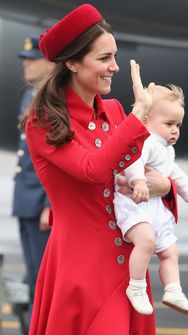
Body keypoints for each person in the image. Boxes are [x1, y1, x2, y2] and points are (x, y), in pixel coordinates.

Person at [20, 4, 176, 335]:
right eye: (104, 58)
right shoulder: (44, 121)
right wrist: (138, 117)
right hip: (82, 272)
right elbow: (92, 170)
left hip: (129, 274)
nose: (115, 67)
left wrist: (166, 186)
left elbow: (149, 171)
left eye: (115, 57)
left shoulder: (115, 112)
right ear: (73, 62)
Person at [114, 84, 188, 316]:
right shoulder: (145, 142)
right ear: (145, 120)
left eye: (178, 125)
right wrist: (139, 181)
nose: (175, 130)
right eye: (169, 124)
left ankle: (173, 290)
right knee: (146, 242)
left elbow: (175, 173)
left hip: (153, 207)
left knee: (171, 251)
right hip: (134, 205)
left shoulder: (165, 149)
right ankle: (136, 287)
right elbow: (133, 161)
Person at [12, 36, 54, 305]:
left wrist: (51, 204)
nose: (26, 63)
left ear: (50, 62)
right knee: (33, 275)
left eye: (33, 58)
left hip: (42, 203)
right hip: (26, 199)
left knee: (44, 277)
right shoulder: (30, 95)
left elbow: (54, 157)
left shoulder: (53, 99)